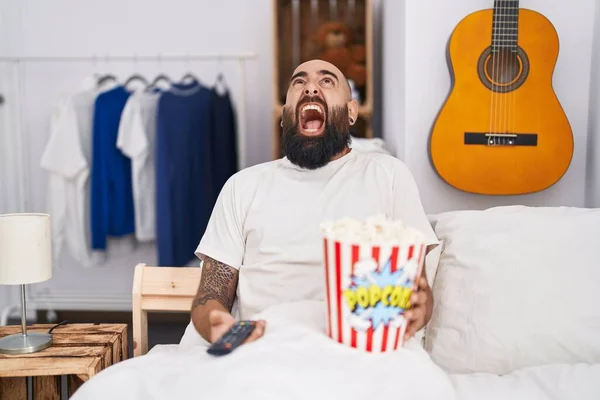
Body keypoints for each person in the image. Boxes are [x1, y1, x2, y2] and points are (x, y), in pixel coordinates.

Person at [191, 59, 438, 347]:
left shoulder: (389, 175)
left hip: (359, 346)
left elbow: (418, 287)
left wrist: (420, 307)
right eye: (299, 82)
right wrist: (216, 323)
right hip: (263, 346)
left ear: (351, 112)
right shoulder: (242, 186)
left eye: (327, 81)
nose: (310, 88)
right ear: (284, 116)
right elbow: (211, 292)